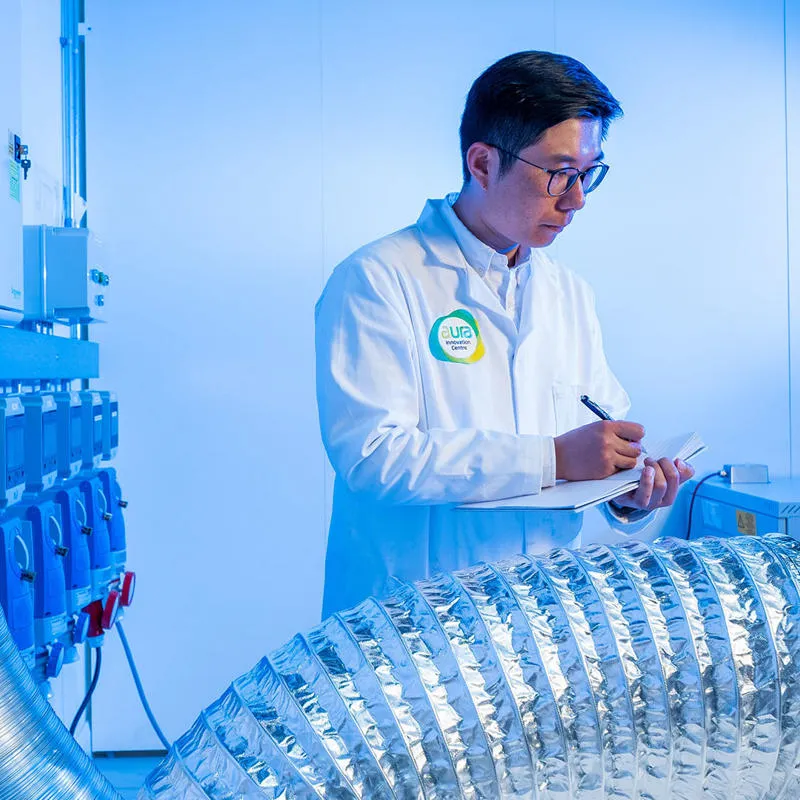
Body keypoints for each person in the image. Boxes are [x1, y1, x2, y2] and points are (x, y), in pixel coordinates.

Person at [315, 51, 694, 618]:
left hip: (539, 628)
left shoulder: (568, 293)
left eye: (590, 173)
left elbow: (598, 443)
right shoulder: (378, 279)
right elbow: (375, 457)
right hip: (412, 627)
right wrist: (552, 459)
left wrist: (632, 493)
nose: (577, 200)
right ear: (483, 163)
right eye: (560, 174)